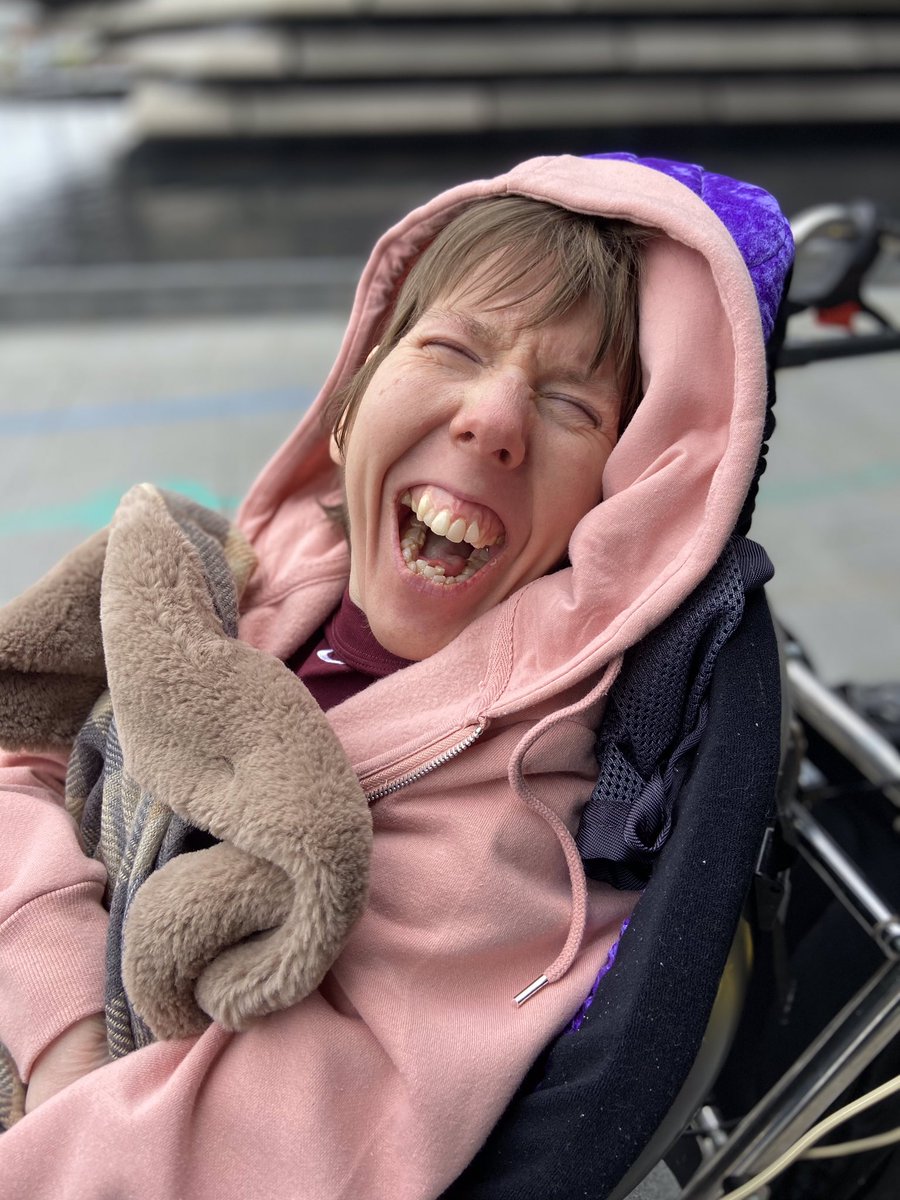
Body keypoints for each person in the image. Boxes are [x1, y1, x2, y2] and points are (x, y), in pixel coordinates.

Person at [0, 152, 792, 1198]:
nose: (493, 421)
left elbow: (222, 1164)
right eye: (454, 348)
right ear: (349, 407)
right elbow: (27, 755)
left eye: (572, 406)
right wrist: (59, 1020)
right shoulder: (268, 579)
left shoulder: (500, 849)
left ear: (620, 518)